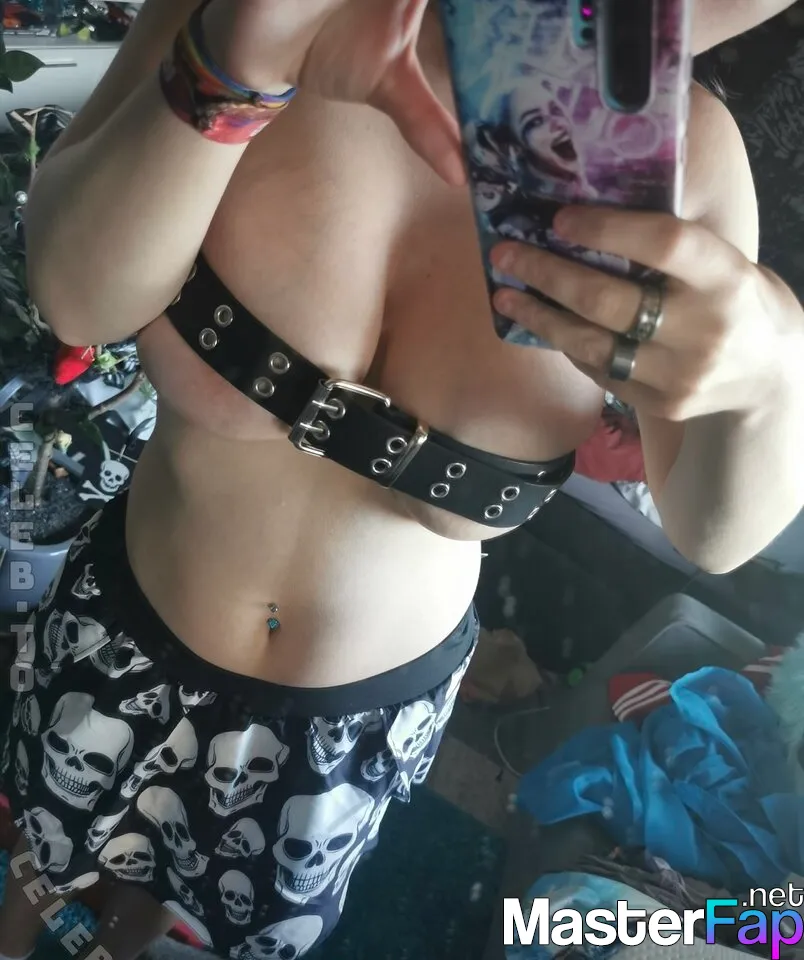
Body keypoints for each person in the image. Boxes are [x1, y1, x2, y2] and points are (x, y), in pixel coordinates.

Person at [1, 0, 803, 958]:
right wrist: (233, 65)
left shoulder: (690, 167)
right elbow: (74, 301)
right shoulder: (267, 7)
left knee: (205, 918)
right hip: (127, 631)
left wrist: (772, 370)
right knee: (42, 847)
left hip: (349, 733)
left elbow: (717, 533)